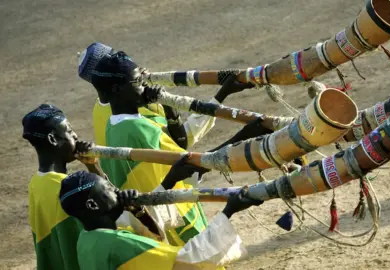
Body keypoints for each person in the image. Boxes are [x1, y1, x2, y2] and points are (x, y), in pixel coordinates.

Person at [89, 50, 271, 246]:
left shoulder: (115, 125)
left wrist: (221, 94)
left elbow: (180, 146)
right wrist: (247, 134)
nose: (145, 87)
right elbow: (192, 164)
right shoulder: (137, 131)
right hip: (178, 225)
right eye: (138, 82)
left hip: (162, 220)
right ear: (117, 89)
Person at [59, 170, 263, 270]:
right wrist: (228, 211)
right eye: (109, 189)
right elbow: (186, 261)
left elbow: (153, 241)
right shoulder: (121, 245)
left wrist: (139, 212)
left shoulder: (85, 240)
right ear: (94, 205)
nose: (117, 191)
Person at [78, 42, 250, 149]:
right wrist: (222, 94)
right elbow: (182, 142)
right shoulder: (131, 105)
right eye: (113, 59)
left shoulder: (103, 107)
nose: (122, 60)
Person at [22, 104, 104, 270]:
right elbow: (114, 209)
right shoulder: (73, 190)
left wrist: (92, 165)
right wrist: (95, 169)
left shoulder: (36, 184)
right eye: (68, 130)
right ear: (53, 139)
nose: (75, 135)